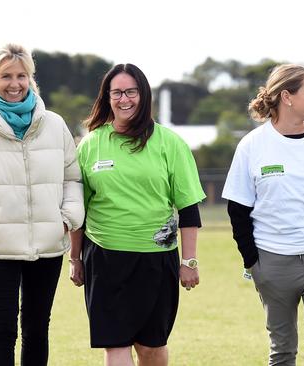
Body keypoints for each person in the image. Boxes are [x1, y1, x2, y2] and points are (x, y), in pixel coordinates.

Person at [0, 43, 84, 366]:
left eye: (21, 75)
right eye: (6, 76)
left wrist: (67, 219)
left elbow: (72, 180)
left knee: (38, 329)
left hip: (48, 246)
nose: (14, 83)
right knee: (3, 330)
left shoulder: (55, 125)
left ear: (30, 79)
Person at [69, 63, 205, 366]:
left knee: (151, 347)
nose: (124, 99)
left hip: (156, 259)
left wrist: (189, 262)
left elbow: (189, 209)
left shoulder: (170, 143)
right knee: (115, 345)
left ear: (143, 95)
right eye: (116, 92)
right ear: (107, 98)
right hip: (104, 258)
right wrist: (75, 258)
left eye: (131, 91)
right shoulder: (90, 145)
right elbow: (78, 210)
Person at [222, 64, 304, 365]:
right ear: (287, 97)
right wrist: (253, 263)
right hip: (271, 262)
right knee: (282, 347)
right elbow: (238, 210)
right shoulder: (251, 146)